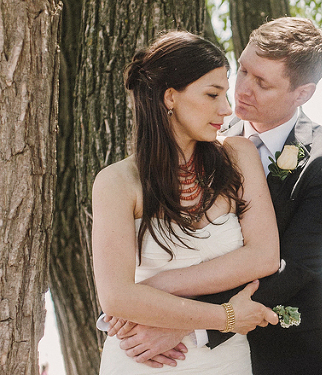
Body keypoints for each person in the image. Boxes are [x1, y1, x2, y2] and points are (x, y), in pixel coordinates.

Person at [117, 17, 322, 374]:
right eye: (243, 70)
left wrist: (190, 322)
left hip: (291, 353)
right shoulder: (201, 138)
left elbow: (296, 268)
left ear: (302, 93)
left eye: (262, 83)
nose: (243, 90)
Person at [93, 31, 281, 374]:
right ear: (170, 97)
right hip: (140, 357)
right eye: (212, 94)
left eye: (225, 93)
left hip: (225, 361)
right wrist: (224, 316)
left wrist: (154, 291)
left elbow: (264, 256)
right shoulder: (117, 182)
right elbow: (117, 299)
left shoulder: (239, 156)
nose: (226, 109)